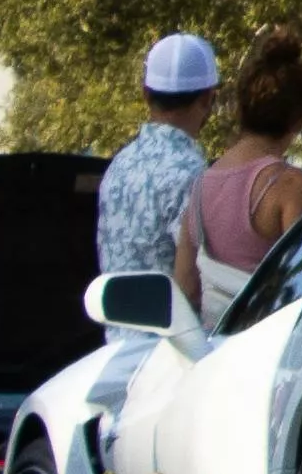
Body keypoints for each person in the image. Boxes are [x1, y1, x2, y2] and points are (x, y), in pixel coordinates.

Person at [175, 30, 302, 322]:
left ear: (241, 109)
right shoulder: (290, 186)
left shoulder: (202, 185)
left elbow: (184, 284)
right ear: (299, 118)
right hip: (266, 350)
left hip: (215, 348)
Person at [95, 35, 223, 295]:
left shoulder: (118, 167)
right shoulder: (192, 175)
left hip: (118, 335)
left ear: (145, 94)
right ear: (209, 99)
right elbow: (197, 284)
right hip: (174, 335)